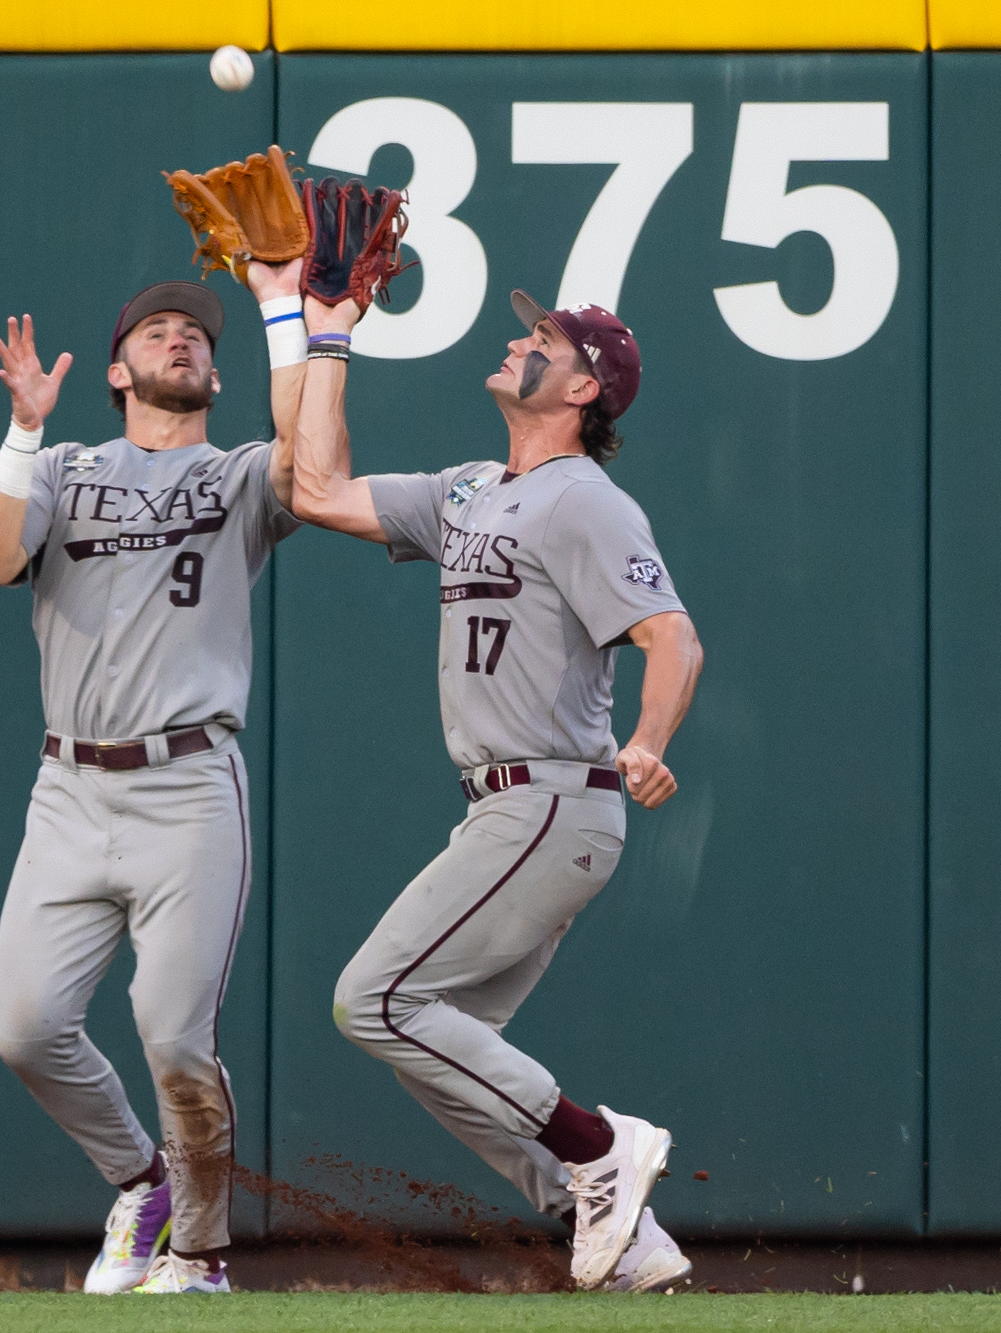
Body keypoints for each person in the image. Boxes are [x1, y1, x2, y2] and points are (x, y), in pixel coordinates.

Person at [288, 288, 705, 1292]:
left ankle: (597, 1145)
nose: (519, 340)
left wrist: (647, 739)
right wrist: (327, 337)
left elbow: (672, 635)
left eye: (544, 340)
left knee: (373, 1000)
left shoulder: (586, 500)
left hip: (552, 799)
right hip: (507, 806)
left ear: (581, 386)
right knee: (434, 1037)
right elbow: (313, 488)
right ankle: (603, 1218)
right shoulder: (470, 490)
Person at [0, 262, 311, 1295]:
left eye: (197, 334)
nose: (181, 339)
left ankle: (199, 1256)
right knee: (25, 1027)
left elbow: (313, 468)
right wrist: (24, 429)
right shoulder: (62, 466)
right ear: (116, 367)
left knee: (172, 1038)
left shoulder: (241, 475)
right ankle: (140, 1179)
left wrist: (291, 325)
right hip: (68, 788)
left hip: (186, 786)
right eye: (158, 330)